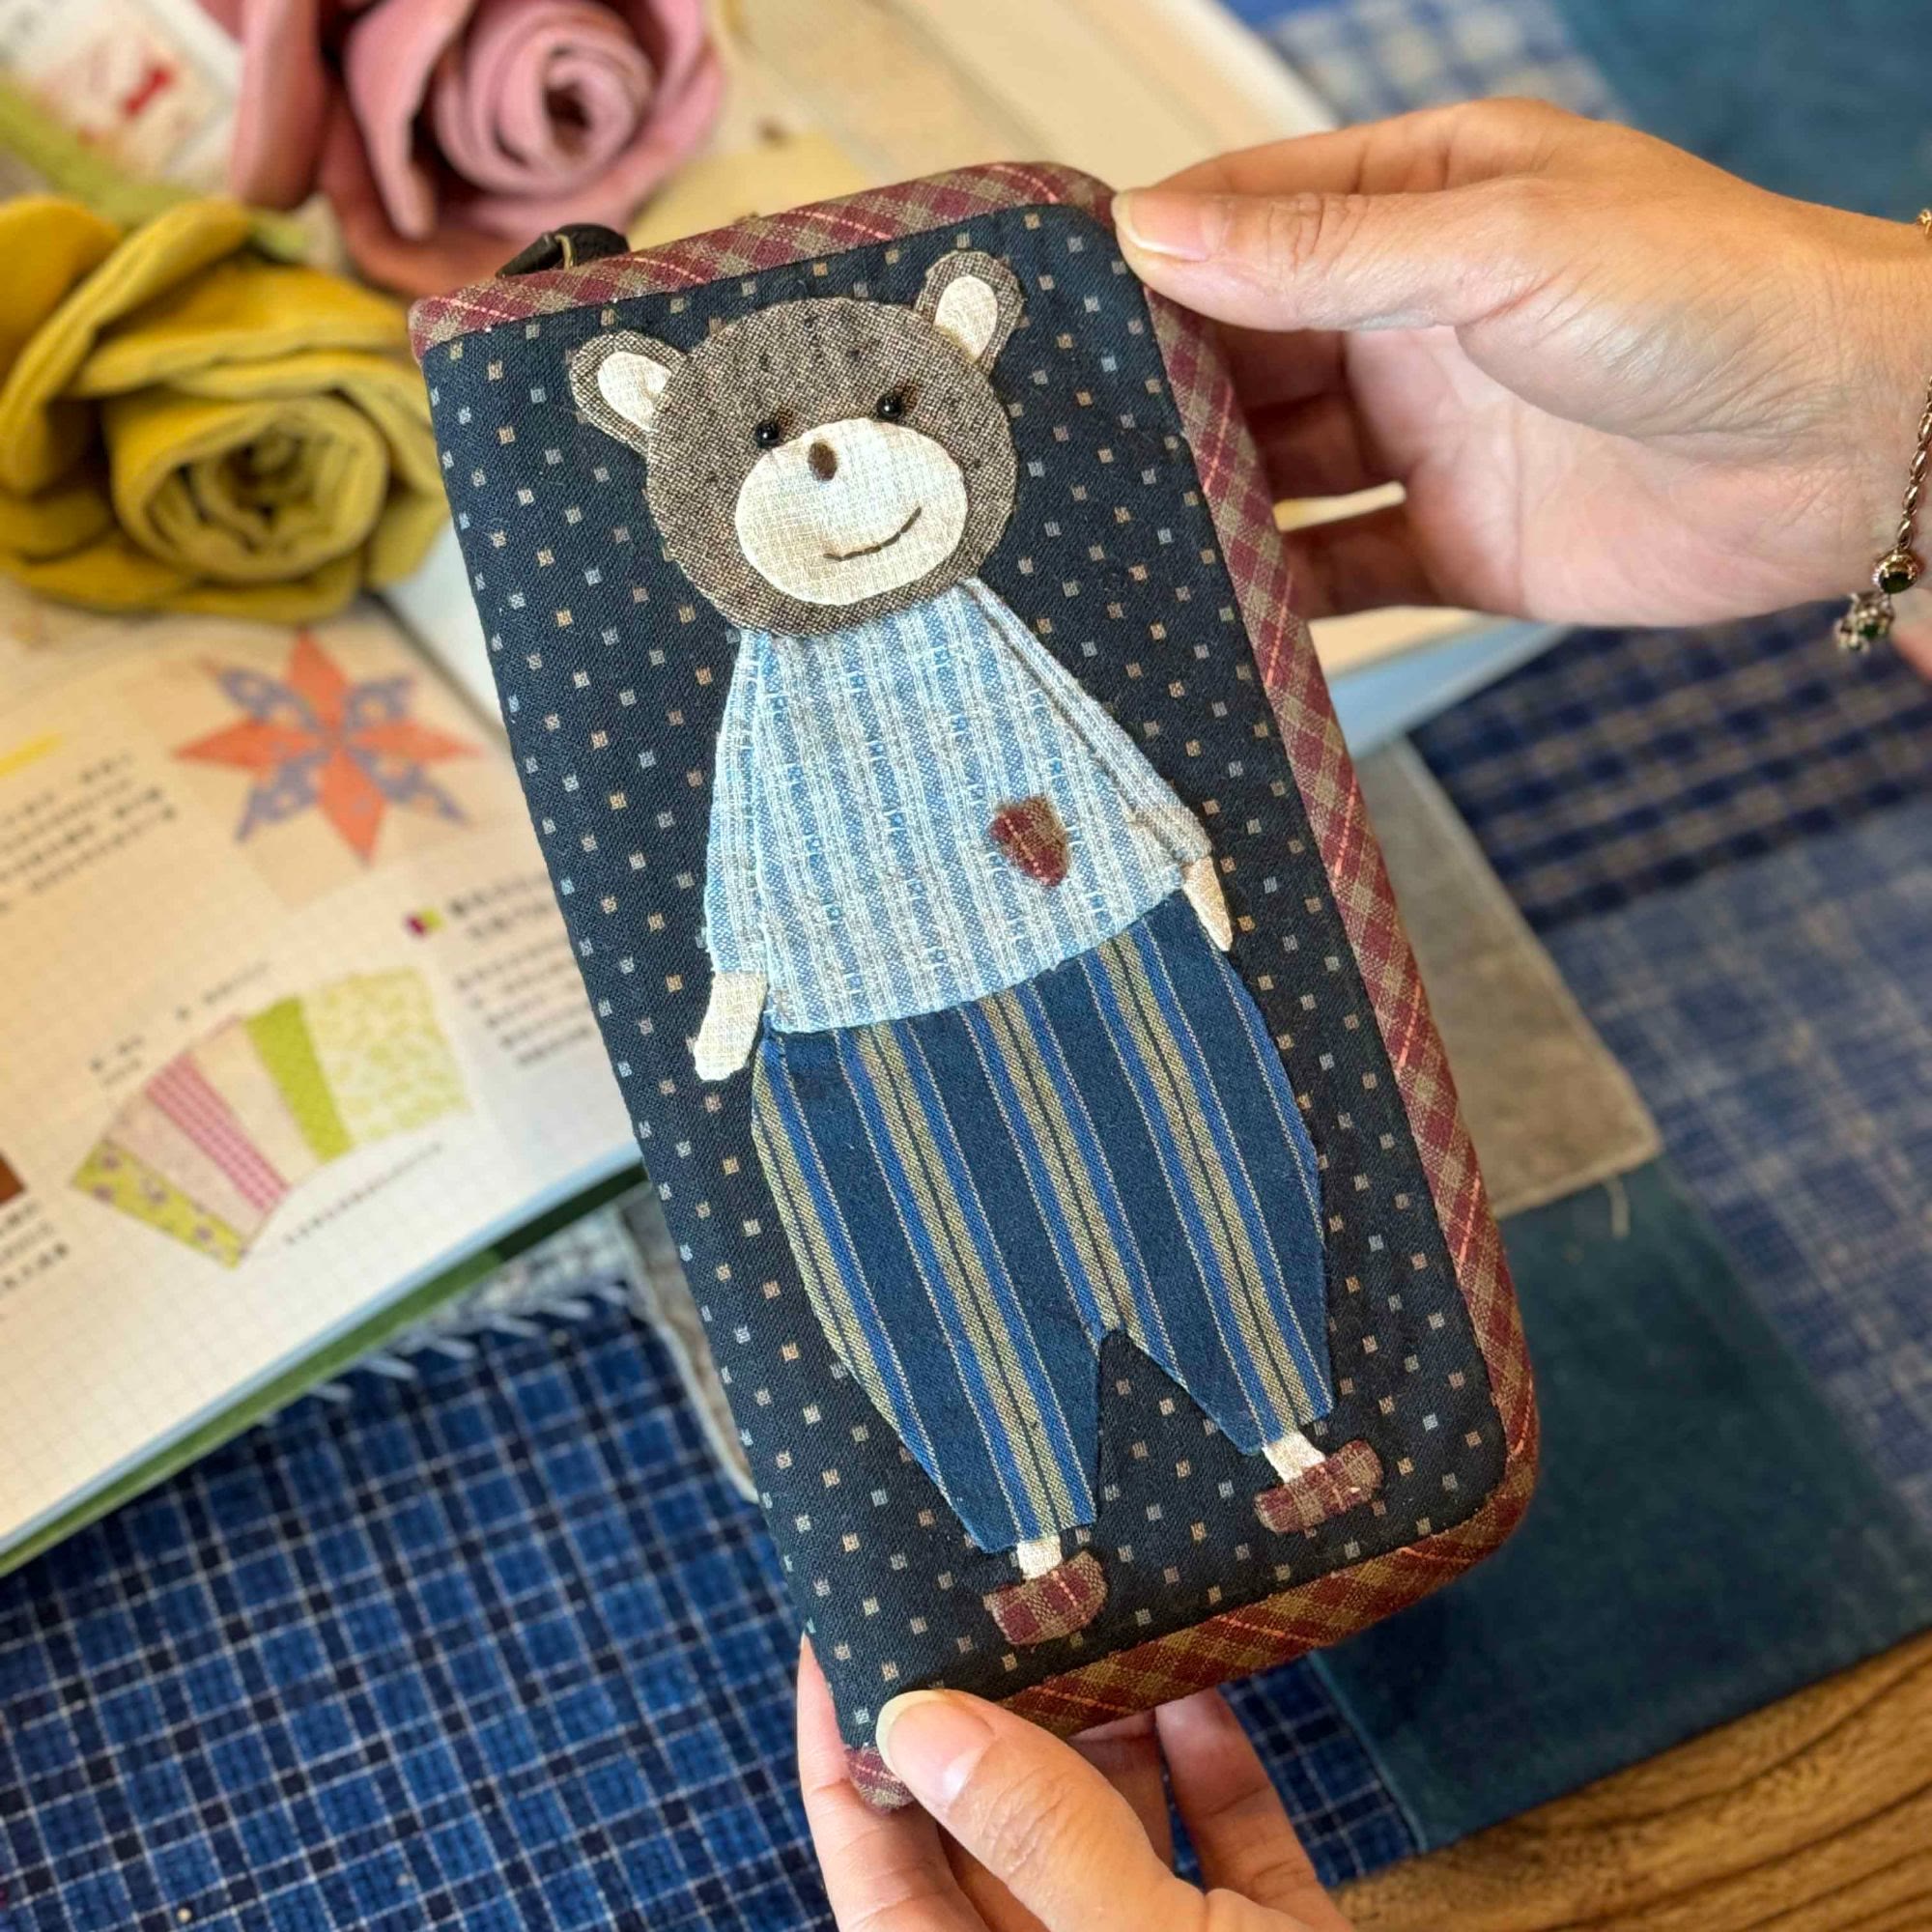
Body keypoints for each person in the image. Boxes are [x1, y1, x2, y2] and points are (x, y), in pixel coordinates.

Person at [798, 99, 1932, 1932]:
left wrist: (1887, 395)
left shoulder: (997, 628)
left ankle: (1271, 1437)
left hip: (1104, 948)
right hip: (887, 1018)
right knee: (968, 1253)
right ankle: (1036, 1532)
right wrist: (1887, 410)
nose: (837, 471)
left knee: (1196, 1166)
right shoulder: (781, 698)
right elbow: (762, 851)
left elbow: (1096, 755)